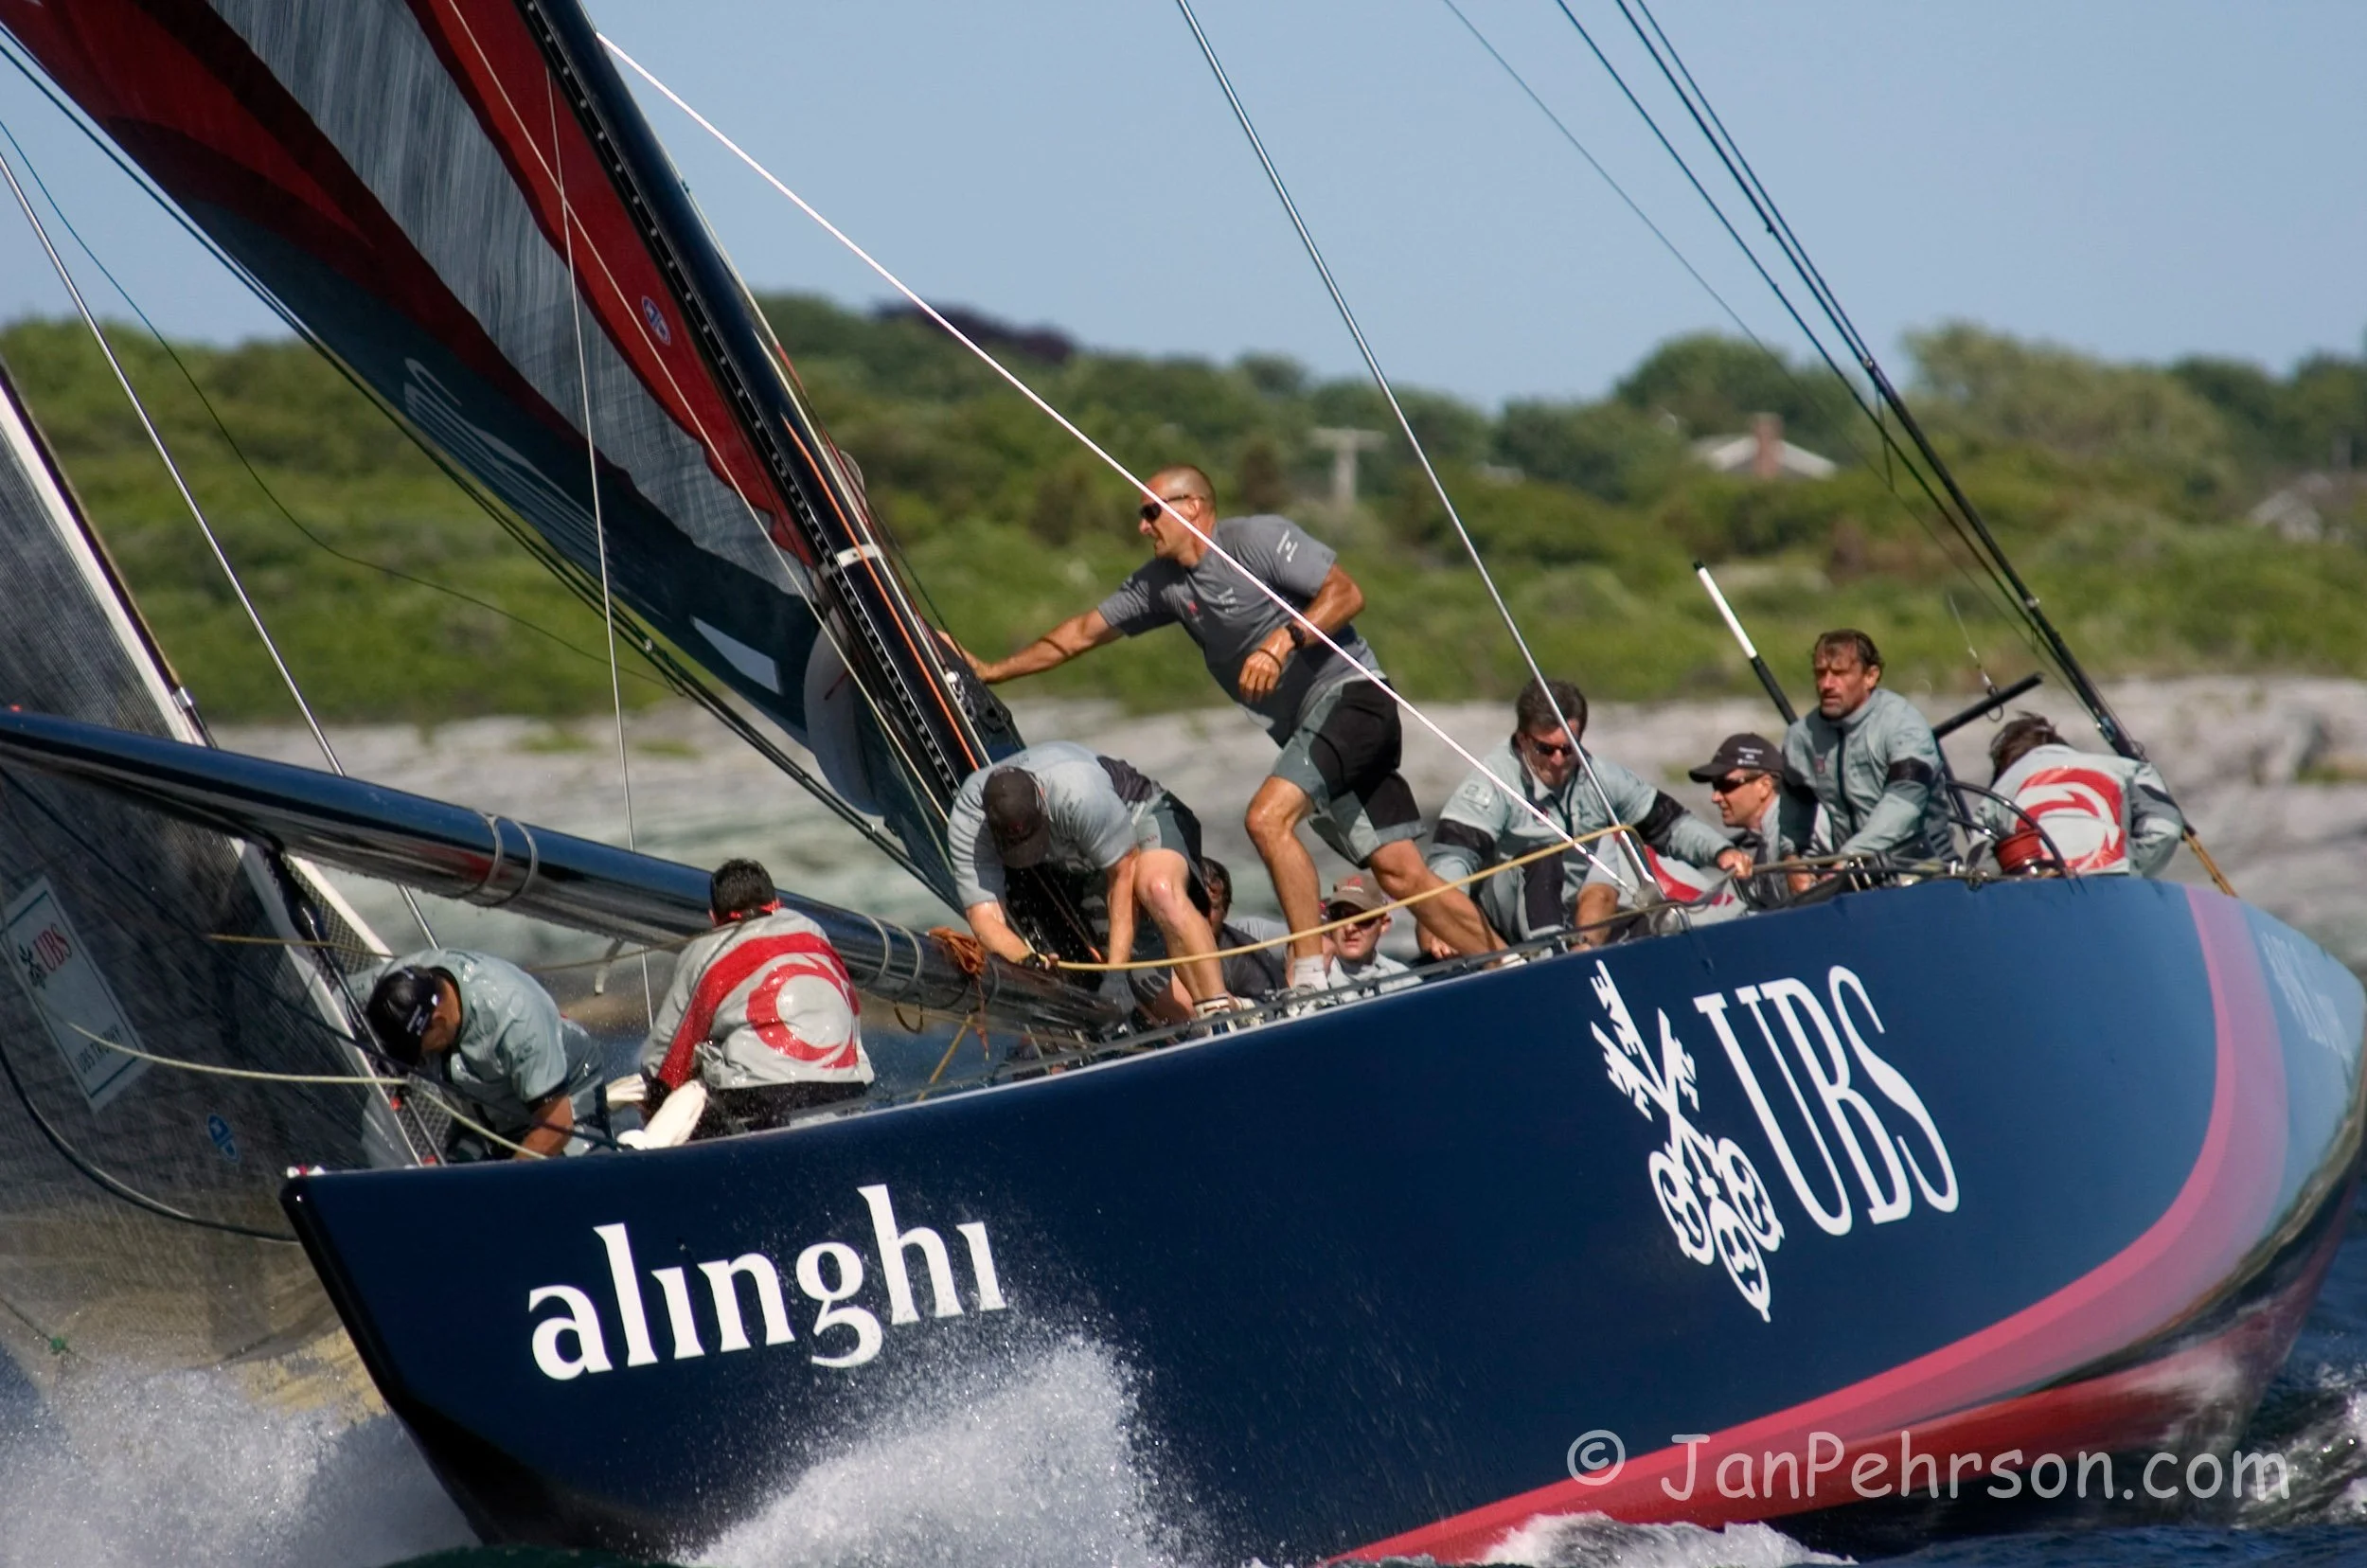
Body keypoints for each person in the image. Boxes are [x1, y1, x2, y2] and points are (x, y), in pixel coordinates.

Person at [944, 464, 1495, 992]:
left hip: (1354, 698)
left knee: (1266, 819)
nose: (1142, 526)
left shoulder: (1255, 540)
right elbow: (1082, 633)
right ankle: (1509, 962)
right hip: (1314, 729)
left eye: (1152, 512)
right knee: (1400, 874)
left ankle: (1307, 978)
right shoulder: (1161, 585)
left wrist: (1281, 644)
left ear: (1194, 508)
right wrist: (992, 670)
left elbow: (1347, 594)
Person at [1429, 677, 1750, 946]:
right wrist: (1444, 925)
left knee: (1615, 874)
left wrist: (1720, 851)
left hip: (1576, 907)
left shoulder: (1601, 778)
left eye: (1569, 748)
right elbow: (1452, 859)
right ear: (1523, 739)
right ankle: (1550, 960)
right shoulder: (1490, 785)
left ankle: (1586, 952)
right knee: (1544, 856)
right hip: (1506, 910)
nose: (1558, 761)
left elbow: (1670, 823)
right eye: (1546, 749)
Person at [945, 740, 1228, 1013]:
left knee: (1157, 889)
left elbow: (1123, 872)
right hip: (1089, 862)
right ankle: (1213, 1020)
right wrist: (1028, 961)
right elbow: (985, 919)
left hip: (1141, 818)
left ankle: (1223, 1011)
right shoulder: (970, 822)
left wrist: (1116, 973)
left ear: (1042, 798)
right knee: (1148, 983)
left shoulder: (1077, 792)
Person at [629, 858, 875, 1147]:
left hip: (763, 1096)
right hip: (847, 1086)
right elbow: (850, 1009)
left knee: (691, 1094)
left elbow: (671, 1054)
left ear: (713, 917)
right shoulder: (813, 931)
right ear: (777, 903)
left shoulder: (706, 950)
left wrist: (655, 1096)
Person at [365, 949, 603, 1160]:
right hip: (485, 1111)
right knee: (455, 1192)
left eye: (418, 1051)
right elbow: (340, 998)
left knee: (568, 1185)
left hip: (565, 1102)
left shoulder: (515, 1018)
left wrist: (504, 1190)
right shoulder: (400, 977)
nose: (418, 1061)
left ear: (439, 1022)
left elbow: (556, 1124)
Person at [1779, 630, 1953, 864]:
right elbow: (1794, 816)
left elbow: (1903, 806)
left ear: (1870, 676)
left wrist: (1850, 856)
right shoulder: (1802, 737)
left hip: (1924, 868)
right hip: (1856, 875)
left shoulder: (1903, 724)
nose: (1827, 684)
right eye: (1820, 673)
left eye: (1839, 673)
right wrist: (1792, 858)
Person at [1979, 713, 2185, 877]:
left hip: (2038, 890)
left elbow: (1982, 868)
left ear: (2004, 764)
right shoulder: (2127, 768)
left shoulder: (1998, 791)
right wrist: (2134, 865)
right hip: (2114, 876)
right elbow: (2165, 829)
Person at [1201, 856, 1288, 1000]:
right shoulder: (1155, 945)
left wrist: (1238, 1006)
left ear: (1225, 910)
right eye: (1194, 905)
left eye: (1210, 907)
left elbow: (1277, 1007)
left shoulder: (1248, 956)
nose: (1201, 915)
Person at [1316, 874, 1413, 993]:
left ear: (1384, 924)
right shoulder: (1313, 977)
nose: (1349, 928)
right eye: (1339, 916)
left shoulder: (1404, 980)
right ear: (1329, 921)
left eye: (1362, 918)